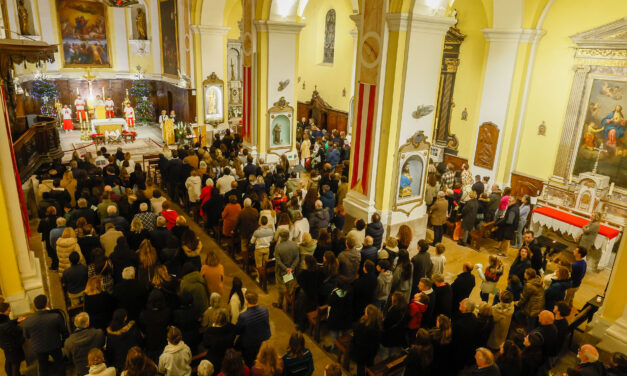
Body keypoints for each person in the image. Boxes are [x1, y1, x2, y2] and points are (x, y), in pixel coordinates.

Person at [22, 294, 69, 376]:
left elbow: (27, 336)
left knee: (43, 367)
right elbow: (64, 331)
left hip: (39, 348)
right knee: (60, 364)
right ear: (47, 304)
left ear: (34, 306)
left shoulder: (27, 322)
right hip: (55, 345)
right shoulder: (55, 317)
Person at [236, 291, 271, 366]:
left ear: (246, 301)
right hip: (263, 339)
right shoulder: (265, 310)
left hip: (250, 344)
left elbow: (238, 331)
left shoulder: (243, 316)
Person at [352, 305, 383, 376]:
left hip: (361, 351)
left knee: (360, 366)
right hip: (372, 351)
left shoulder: (361, 326)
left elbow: (356, 336)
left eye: (365, 312)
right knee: (370, 364)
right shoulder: (377, 324)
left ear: (367, 315)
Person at [273, 229, 300, 309]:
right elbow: (297, 258)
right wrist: (291, 268)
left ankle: (280, 303)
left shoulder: (278, 247)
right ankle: (288, 304)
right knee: (288, 286)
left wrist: (286, 269)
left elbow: (278, 261)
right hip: (290, 272)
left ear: (280, 237)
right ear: (288, 236)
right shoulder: (294, 244)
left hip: (281, 272)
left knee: (281, 287)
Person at [452, 299, 480, 370]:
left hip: (459, 351)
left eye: (461, 303)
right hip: (469, 349)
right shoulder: (474, 317)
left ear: (465, 308)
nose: (459, 302)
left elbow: (454, 338)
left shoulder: (460, 324)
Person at [0, 302, 25, 376]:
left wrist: (16, 320)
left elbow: (8, 324)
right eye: (8, 310)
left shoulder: (3, 318)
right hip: (12, 347)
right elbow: (17, 330)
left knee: (9, 361)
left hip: (5, 346)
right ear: (1, 312)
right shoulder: (4, 323)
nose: (10, 311)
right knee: (15, 364)